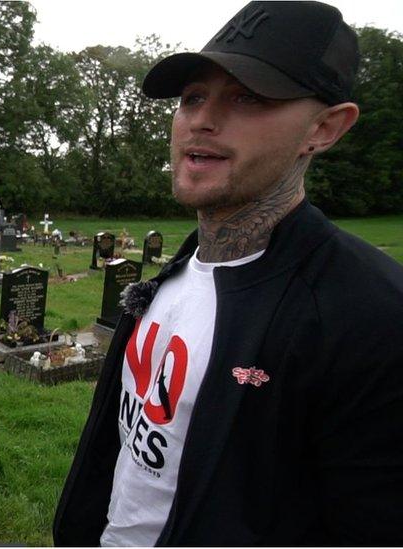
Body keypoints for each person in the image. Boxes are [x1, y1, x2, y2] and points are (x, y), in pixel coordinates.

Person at [53, 2, 403, 545]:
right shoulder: (174, 274)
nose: (202, 119)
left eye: (248, 97)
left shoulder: (373, 317)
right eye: (193, 97)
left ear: (326, 127)